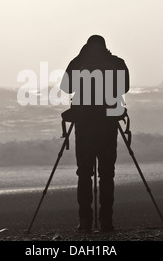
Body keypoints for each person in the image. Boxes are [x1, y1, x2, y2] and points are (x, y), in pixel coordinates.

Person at [60, 35, 129, 232]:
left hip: (85, 125)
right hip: (108, 124)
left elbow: (66, 87)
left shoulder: (79, 63)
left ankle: (85, 222)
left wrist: (79, 60)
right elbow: (125, 88)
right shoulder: (117, 62)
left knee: (84, 174)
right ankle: (107, 222)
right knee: (107, 174)